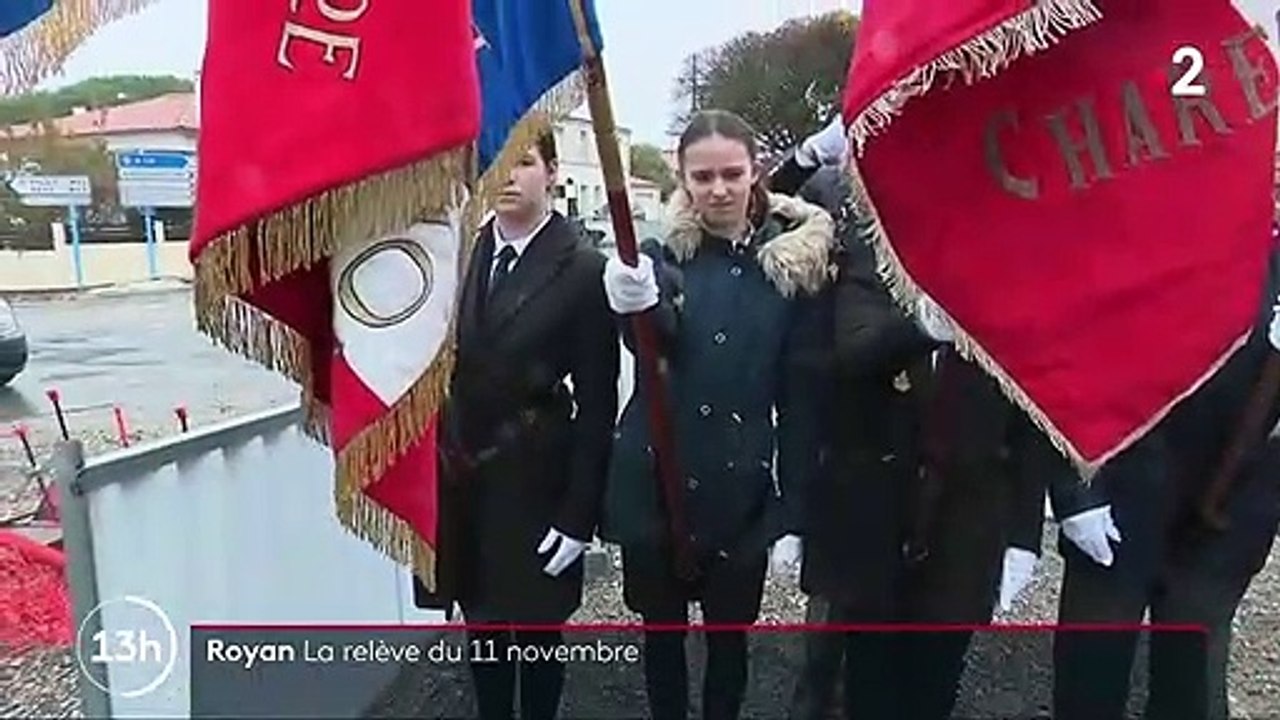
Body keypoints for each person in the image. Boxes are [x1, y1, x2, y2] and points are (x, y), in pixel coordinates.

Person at [598, 108, 837, 720]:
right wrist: (636, 304)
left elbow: (802, 399)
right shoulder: (659, 254)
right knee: (662, 640)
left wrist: (794, 510)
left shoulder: (793, 264)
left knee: (730, 644)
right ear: (682, 178)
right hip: (660, 480)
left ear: (756, 171)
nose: (719, 189)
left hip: (741, 489)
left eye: (732, 173)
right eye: (702, 177)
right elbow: (656, 337)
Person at [413, 129, 620, 720]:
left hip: (536, 480)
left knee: (533, 634)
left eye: (524, 162)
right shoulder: (464, 252)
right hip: (466, 475)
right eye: (496, 163)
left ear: (552, 172)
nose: (508, 175)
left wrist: (579, 517)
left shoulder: (582, 270)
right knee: (482, 630)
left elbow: (599, 404)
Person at [1052, 234, 1280, 720]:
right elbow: (1065, 352)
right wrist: (1076, 495)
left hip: (1227, 513)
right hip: (1119, 493)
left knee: (1190, 685)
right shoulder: (1143, 216)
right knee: (1090, 683)